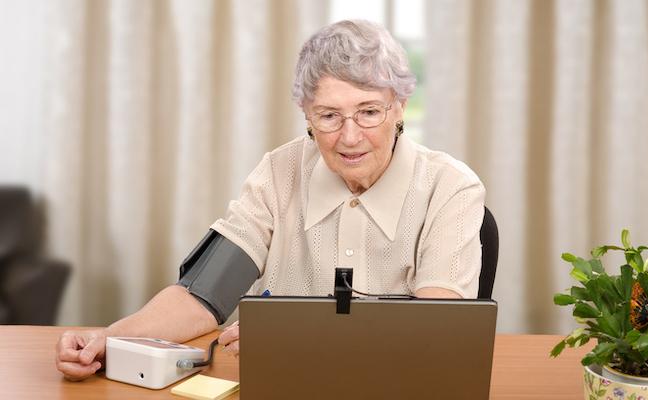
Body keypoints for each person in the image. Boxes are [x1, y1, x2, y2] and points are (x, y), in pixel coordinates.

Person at [55, 19, 486, 381]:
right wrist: (107, 339)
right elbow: (202, 296)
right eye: (329, 116)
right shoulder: (280, 172)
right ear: (306, 115)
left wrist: (308, 342)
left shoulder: (450, 187)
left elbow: (437, 333)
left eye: (369, 111)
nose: (350, 137)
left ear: (399, 107)